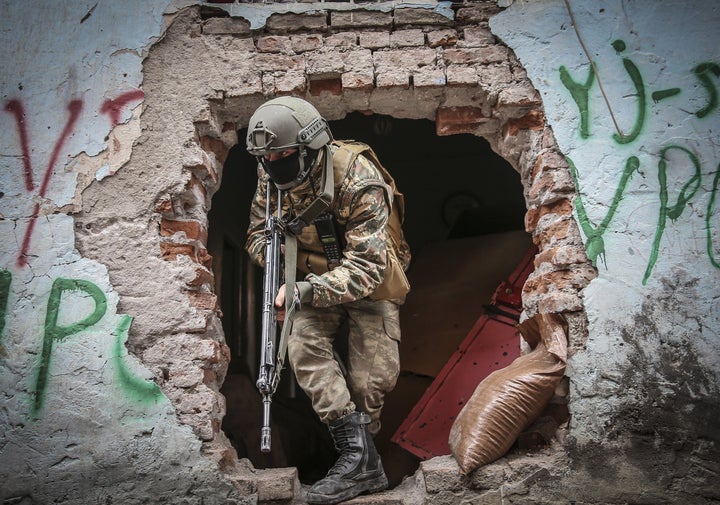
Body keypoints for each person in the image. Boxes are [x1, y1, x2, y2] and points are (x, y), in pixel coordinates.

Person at [244, 96, 411, 504]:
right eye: (267, 158)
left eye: (284, 155)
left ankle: (363, 459)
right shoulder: (271, 175)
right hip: (310, 276)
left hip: (369, 279)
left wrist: (304, 290)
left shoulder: (359, 177)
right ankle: (358, 460)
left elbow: (370, 268)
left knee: (369, 381)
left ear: (310, 146)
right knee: (299, 345)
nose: (274, 164)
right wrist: (283, 268)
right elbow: (254, 236)